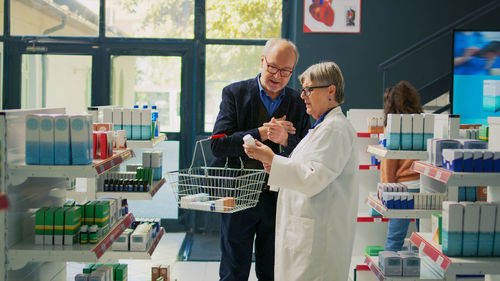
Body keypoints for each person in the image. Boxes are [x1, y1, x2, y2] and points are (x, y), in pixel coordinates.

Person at [243, 61, 358, 280]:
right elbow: (306, 169)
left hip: (319, 239)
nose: (303, 96)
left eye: (308, 90)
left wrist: (273, 160)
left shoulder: (336, 129)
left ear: (331, 90)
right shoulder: (323, 127)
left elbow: (313, 178)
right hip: (307, 232)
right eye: (302, 90)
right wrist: (273, 165)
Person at [210, 38, 310, 281]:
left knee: (273, 270)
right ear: (262, 61)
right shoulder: (235, 93)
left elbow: (308, 152)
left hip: (279, 199)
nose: (277, 75)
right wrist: (260, 134)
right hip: (238, 196)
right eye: (273, 67)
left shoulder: (298, 102)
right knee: (234, 270)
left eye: (286, 71)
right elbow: (218, 144)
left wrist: (286, 140)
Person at [381, 80, 422, 251]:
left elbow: (388, 165)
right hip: (425, 187)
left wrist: (385, 191)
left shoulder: (393, 127)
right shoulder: (422, 122)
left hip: (401, 190)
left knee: (395, 239)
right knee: (426, 239)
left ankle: (389, 275)